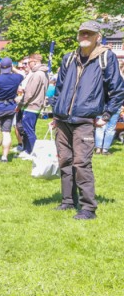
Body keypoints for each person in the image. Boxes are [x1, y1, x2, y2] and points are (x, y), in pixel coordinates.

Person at [52, 20, 124, 220]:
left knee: (81, 163)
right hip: (64, 120)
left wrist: (107, 115)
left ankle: (88, 208)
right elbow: (59, 89)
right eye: (82, 33)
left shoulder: (106, 58)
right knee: (64, 161)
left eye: (89, 34)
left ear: (97, 37)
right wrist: (56, 113)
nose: (85, 37)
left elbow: (118, 90)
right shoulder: (68, 58)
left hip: (85, 120)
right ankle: (67, 200)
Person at [0, 57, 24, 162]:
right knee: (6, 132)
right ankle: (4, 157)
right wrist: (14, 69)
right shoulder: (17, 77)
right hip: (10, 108)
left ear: (0, 67)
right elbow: (24, 75)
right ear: (11, 66)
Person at [16, 54, 49, 160]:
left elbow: (30, 93)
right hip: (35, 104)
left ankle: (34, 152)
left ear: (35, 62)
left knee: (28, 130)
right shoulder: (44, 74)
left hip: (31, 105)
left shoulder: (37, 74)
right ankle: (28, 150)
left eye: (28, 62)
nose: (27, 65)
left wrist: (21, 103)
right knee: (28, 129)